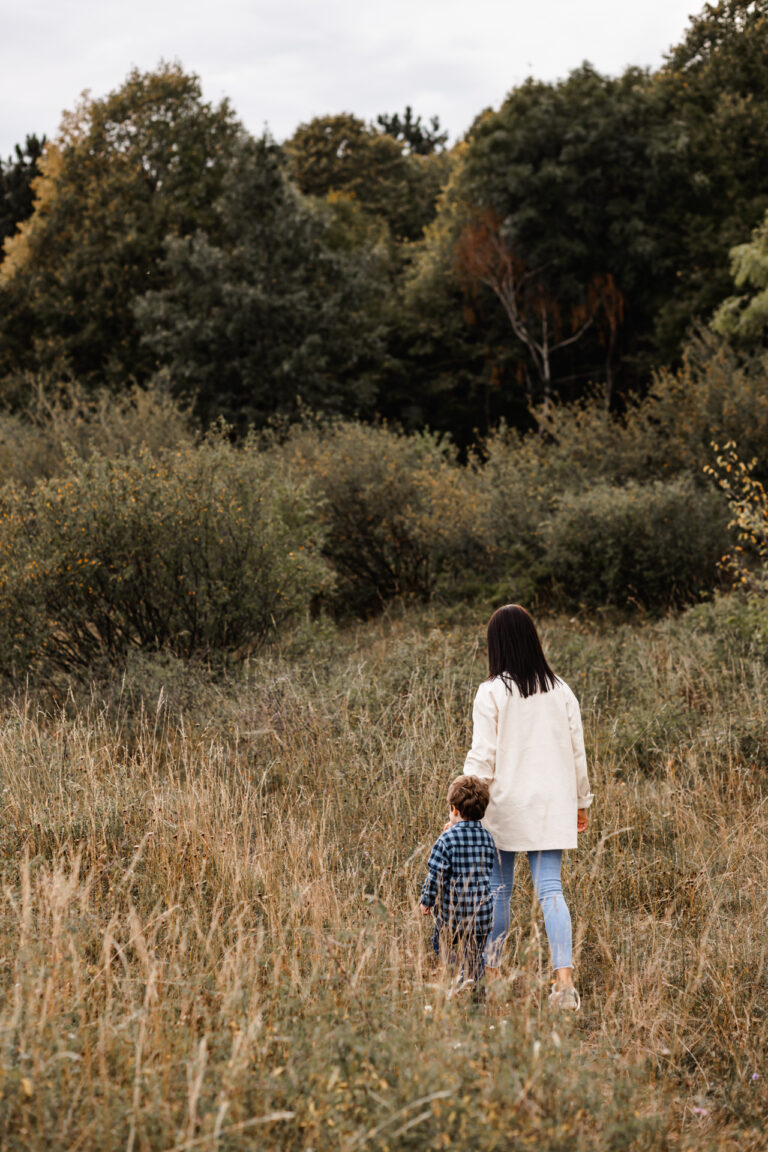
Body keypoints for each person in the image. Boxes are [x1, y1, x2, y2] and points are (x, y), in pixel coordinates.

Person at [462, 604, 593, 1011]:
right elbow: (577, 754)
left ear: (496, 643)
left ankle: (494, 978)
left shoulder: (492, 691)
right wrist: (581, 802)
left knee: (498, 891)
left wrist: (462, 801)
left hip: (504, 805)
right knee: (551, 889)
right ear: (533, 639)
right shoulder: (561, 690)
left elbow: (482, 756)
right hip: (552, 803)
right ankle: (564, 986)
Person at [419, 775, 496, 996]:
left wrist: (427, 901)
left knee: (440, 944)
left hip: (452, 915)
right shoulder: (488, 838)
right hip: (481, 914)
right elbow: (488, 870)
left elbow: (436, 875)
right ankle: (476, 994)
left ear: (454, 810)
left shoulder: (446, 840)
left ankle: (461, 970)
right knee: (476, 954)